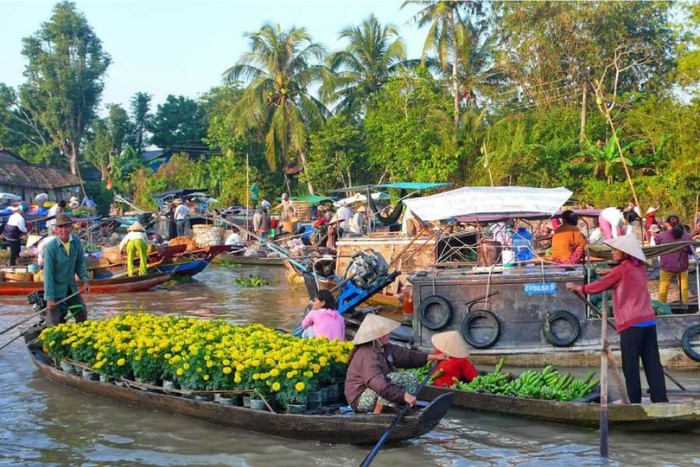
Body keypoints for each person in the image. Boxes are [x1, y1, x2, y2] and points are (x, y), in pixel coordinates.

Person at [566, 235, 668, 404]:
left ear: (625, 252)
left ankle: (634, 401)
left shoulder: (621, 271)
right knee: (652, 363)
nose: (612, 252)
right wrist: (609, 272)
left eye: (615, 250)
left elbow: (599, 286)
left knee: (630, 365)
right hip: (648, 322)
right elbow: (621, 275)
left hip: (632, 324)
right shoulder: (639, 267)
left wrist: (578, 287)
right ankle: (660, 399)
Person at [344, 314, 448, 414]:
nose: (388, 333)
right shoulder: (367, 353)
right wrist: (403, 396)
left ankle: (397, 407)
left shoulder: (385, 347)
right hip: (360, 399)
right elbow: (378, 383)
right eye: (384, 332)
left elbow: (406, 356)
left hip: (376, 391)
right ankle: (378, 413)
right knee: (392, 378)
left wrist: (432, 357)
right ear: (376, 336)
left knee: (412, 377)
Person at [43, 213, 90, 326]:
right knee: (53, 321)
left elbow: (80, 264)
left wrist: (85, 279)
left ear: (71, 228)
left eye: (67, 226)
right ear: (56, 230)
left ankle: (82, 336)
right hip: (56, 289)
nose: (64, 230)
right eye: (61, 227)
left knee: (82, 313)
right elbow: (48, 274)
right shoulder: (51, 247)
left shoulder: (76, 242)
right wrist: (50, 298)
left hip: (71, 287)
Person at [655, 215, 694, 304]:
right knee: (683, 288)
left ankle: (661, 307)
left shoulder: (662, 235)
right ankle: (685, 306)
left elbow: (657, 243)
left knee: (663, 289)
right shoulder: (686, 235)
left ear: (667, 224)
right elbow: (691, 251)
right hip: (682, 265)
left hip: (666, 265)